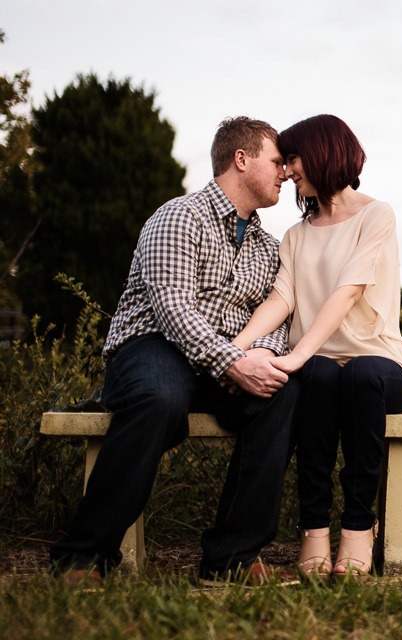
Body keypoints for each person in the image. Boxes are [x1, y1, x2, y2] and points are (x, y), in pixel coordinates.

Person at [50, 117, 298, 587]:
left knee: (283, 393)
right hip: (151, 348)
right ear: (240, 160)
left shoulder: (268, 247)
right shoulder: (179, 216)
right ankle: (82, 557)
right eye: (276, 161)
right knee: (159, 398)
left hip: (227, 360)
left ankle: (232, 555)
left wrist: (256, 359)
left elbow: (273, 318)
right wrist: (231, 361)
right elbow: (172, 308)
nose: (284, 172)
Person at [232, 114, 402, 578]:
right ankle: (313, 528)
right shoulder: (295, 234)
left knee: (357, 373)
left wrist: (295, 354)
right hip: (320, 370)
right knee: (316, 376)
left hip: (379, 364)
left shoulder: (377, 215)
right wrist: (235, 348)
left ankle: (358, 528)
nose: (288, 170)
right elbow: (282, 298)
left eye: (293, 158)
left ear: (321, 153)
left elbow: (349, 289)